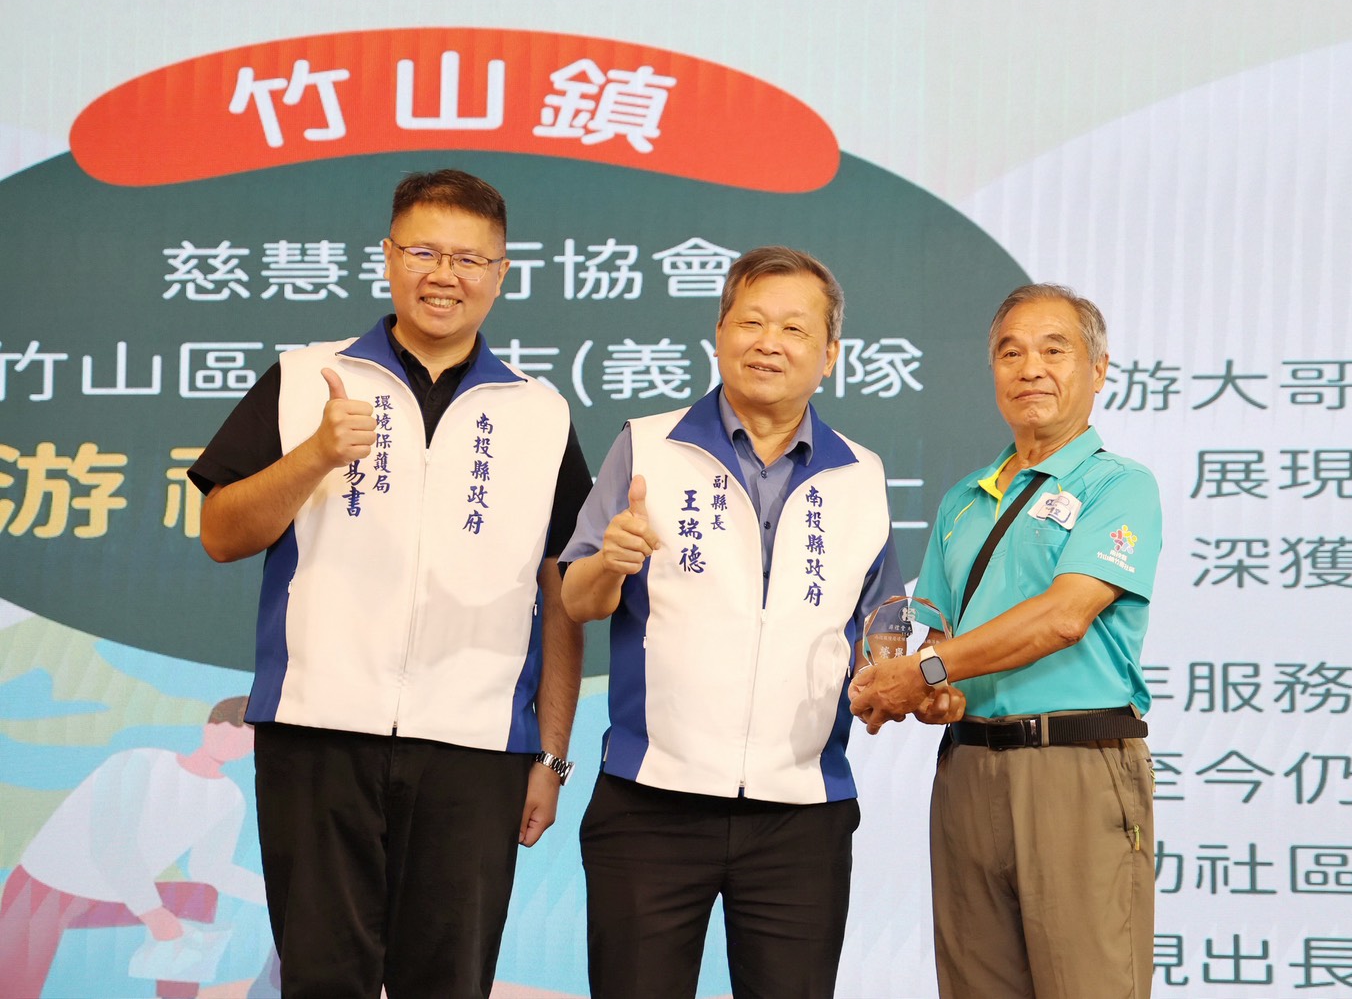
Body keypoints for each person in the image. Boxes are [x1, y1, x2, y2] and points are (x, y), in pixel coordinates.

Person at [187, 169, 591, 999]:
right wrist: (314, 455)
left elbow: (561, 591)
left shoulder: (540, 412)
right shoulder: (305, 377)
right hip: (318, 732)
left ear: (501, 273)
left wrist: (550, 755)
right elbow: (221, 533)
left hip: (475, 746)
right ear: (387, 257)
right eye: (423, 252)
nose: (444, 275)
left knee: (449, 981)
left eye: (469, 259)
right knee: (321, 978)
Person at [560, 245, 903, 999]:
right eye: (750, 322)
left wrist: (894, 678)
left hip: (801, 813)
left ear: (830, 354)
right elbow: (577, 599)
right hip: (653, 797)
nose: (768, 342)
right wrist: (610, 561)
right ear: (718, 335)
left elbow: (881, 629)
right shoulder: (647, 445)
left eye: (793, 328)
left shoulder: (863, 475)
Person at [850, 283, 1163, 999]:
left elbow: (1063, 617)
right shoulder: (964, 499)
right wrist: (929, 694)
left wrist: (927, 669)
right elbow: (943, 645)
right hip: (967, 771)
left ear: (1098, 369)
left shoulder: (1119, 485)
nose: (1031, 369)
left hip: (1074, 765)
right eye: (1010, 352)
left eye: (1054, 350)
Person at [0, 696, 266, 999]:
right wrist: (154, 914)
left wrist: (278, 898)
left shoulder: (229, 797)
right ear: (209, 727)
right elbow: (111, 847)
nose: (234, 745)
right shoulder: (137, 762)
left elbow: (211, 870)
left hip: (115, 896)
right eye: (229, 734)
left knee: (199, 897)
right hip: (46, 888)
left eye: (246, 743)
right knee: (12, 991)